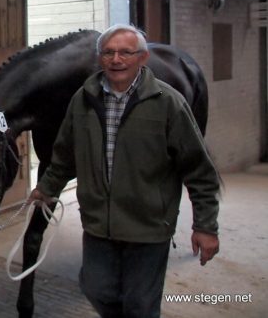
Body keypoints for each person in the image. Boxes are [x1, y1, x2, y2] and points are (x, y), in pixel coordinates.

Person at [29, 24, 220, 318]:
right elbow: (65, 156)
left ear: (142, 58)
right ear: (100, 59)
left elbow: (199, 169)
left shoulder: (168, 103)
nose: (116, 59)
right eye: (108, 52)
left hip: (147, 225)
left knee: (140, 304)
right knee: (95, 288)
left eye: (125, 52)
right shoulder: (82, 100)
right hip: (99, 224)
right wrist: (47, 188)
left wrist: (205, 226)